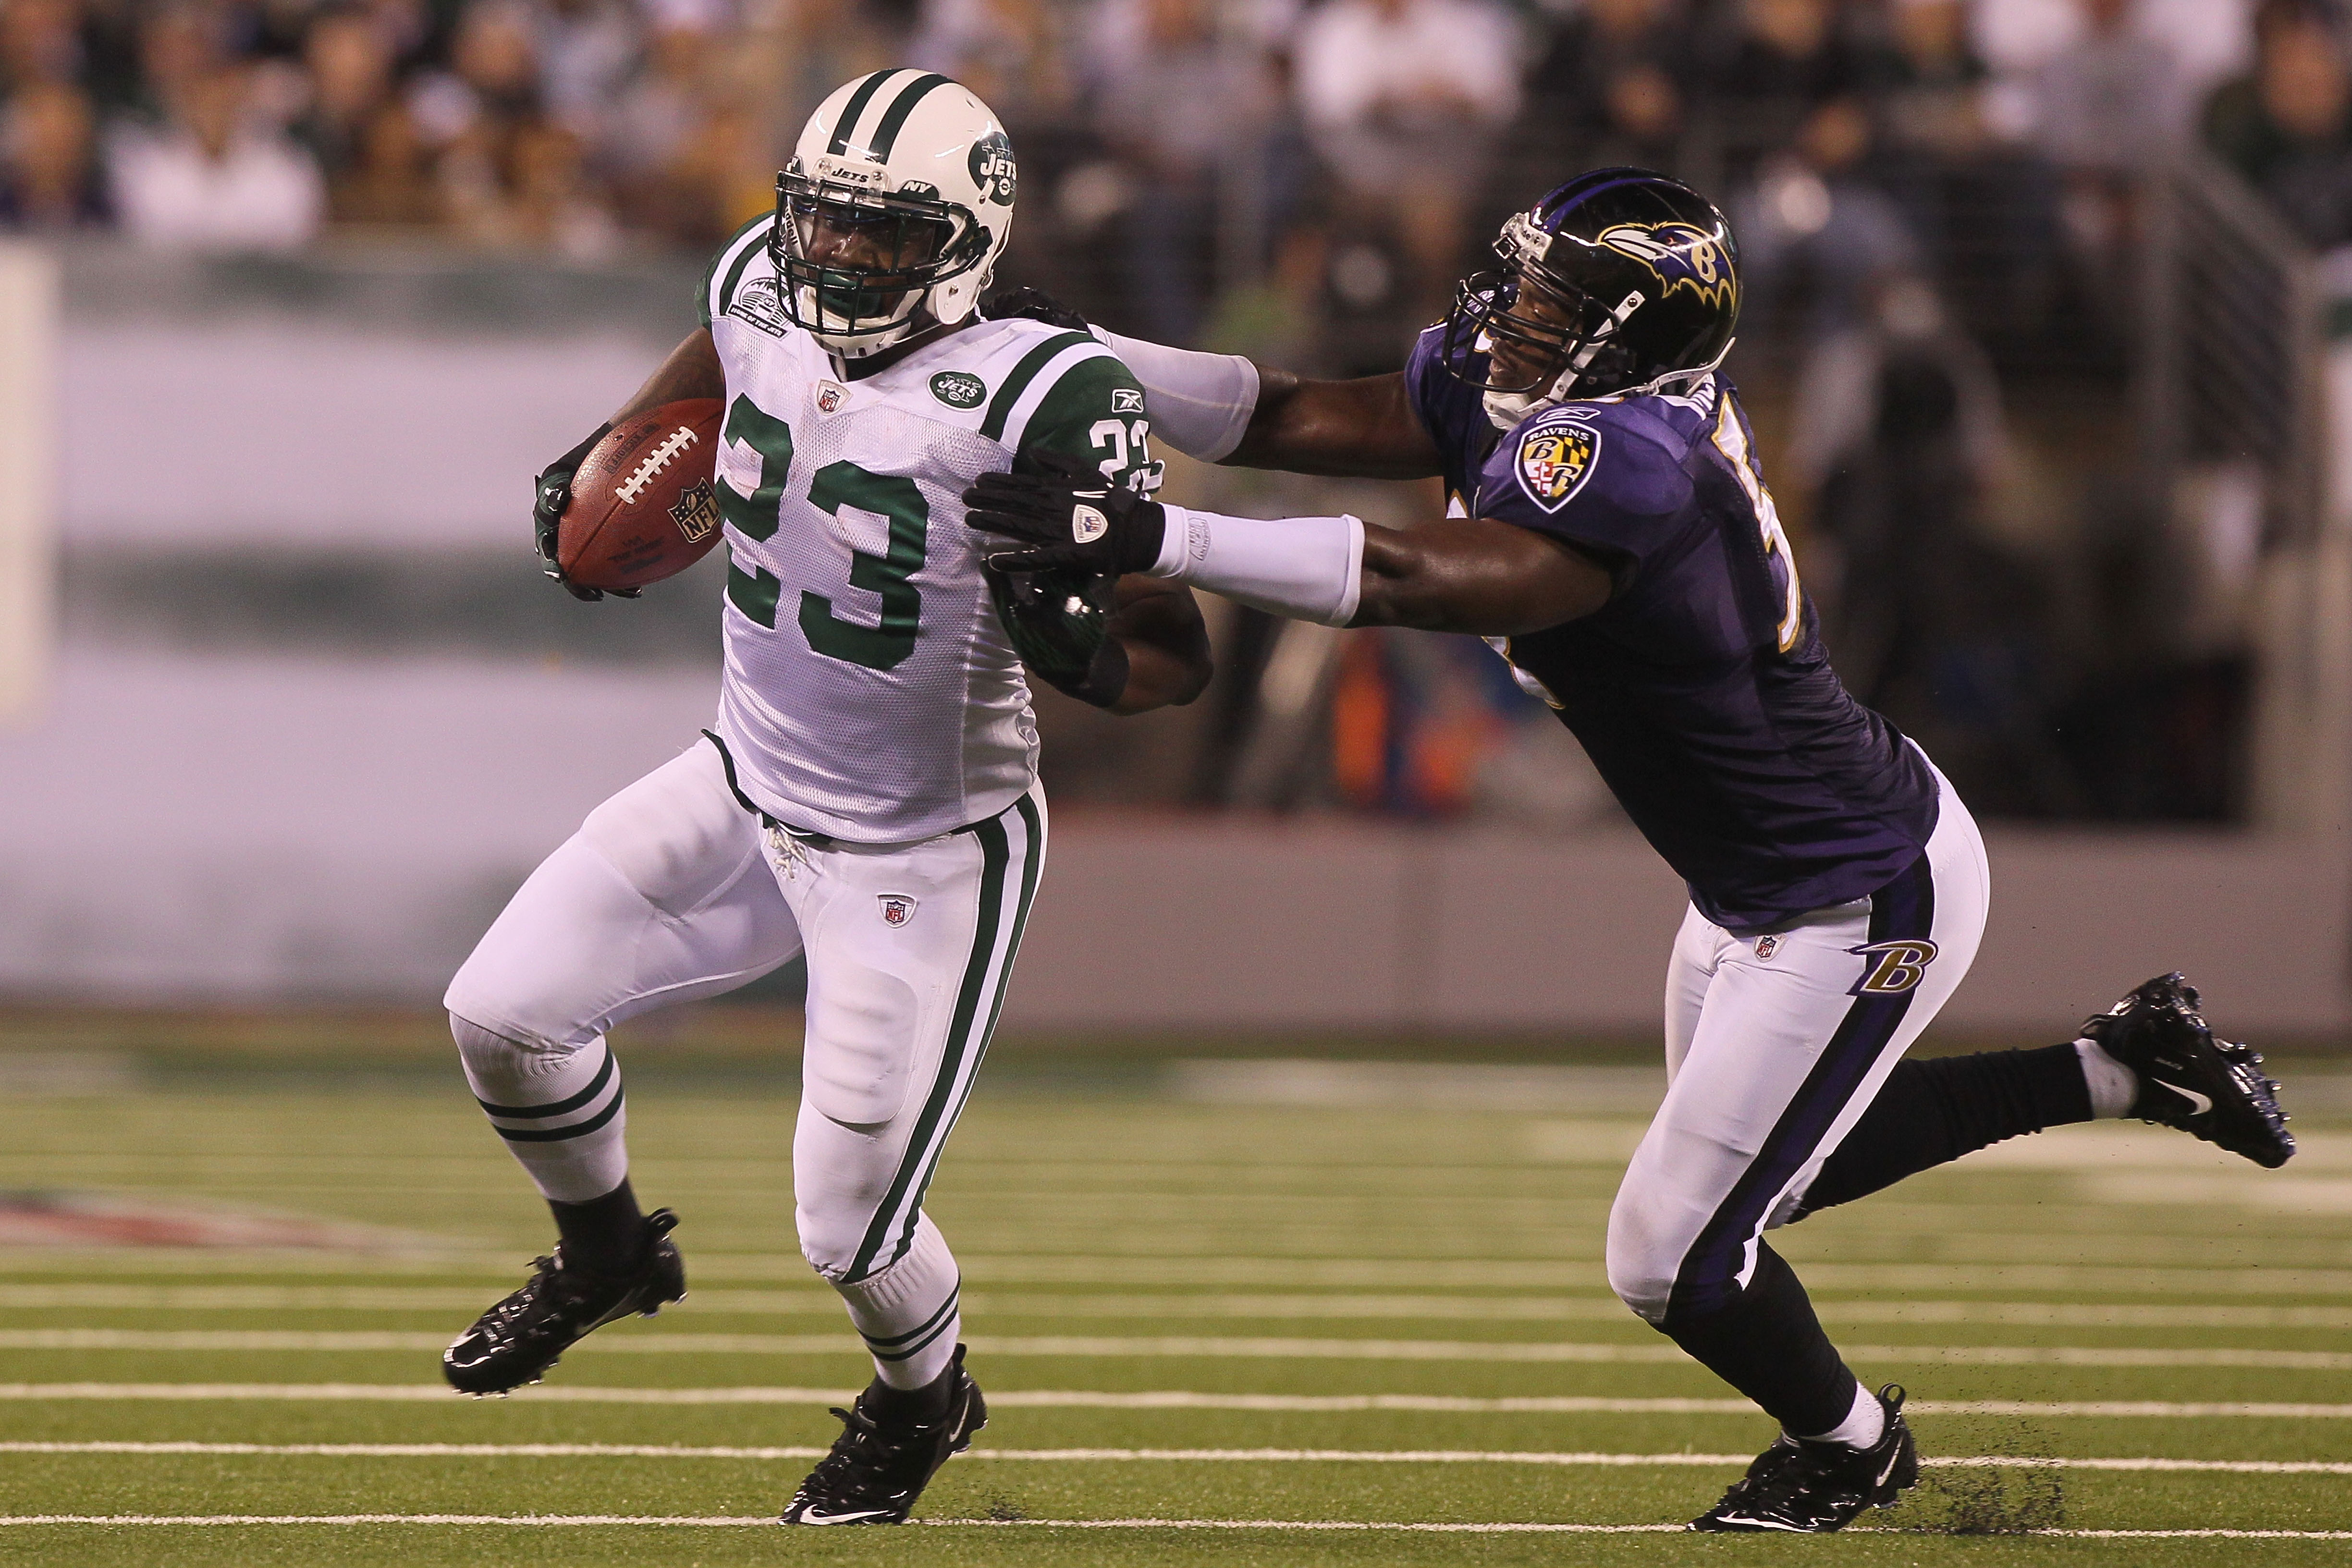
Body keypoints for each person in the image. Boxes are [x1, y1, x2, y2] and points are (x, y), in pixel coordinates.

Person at [965, 168, 2296, 1533]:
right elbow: (1293, 409)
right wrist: (1074, 359)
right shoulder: (1537, 394)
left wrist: (1160, 538)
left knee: (1670, 1253)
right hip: (1753, 888)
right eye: (1526, 284)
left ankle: (1851, 1447)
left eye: (1555, 304)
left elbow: (1428, 578)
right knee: (1779, 1175)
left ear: (1640, 337)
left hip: (1858, 886)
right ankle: (2124, 1065)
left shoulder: (1636, 455)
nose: (1511, 317)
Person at [436, 69, 1212, 1527]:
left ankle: (924, 1404)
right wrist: (608, 465)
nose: (840, 259)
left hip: (924, 847)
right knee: (503, 1014)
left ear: (968, 239)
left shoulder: (1053, 392)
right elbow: (705, 369)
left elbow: (1179, 658)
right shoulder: (757, 282)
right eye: (826, 225)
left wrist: (1078, 643)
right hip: (744, 779)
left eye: (882, 235)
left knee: (850, 1229)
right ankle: (608, 1258)